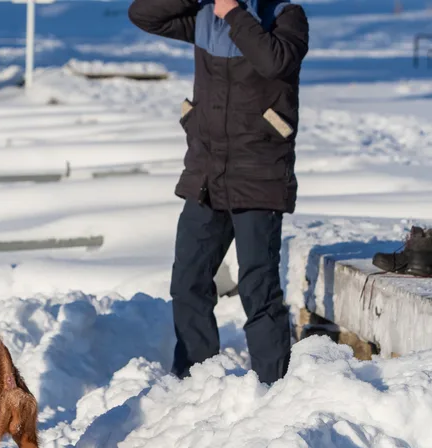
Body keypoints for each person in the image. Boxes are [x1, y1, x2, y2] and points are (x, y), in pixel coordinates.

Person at [128, 0, 309, 384]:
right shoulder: (204, 18)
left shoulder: (285, 15)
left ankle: (272, 384)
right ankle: (197, 378)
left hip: (258, 176)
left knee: (258, 289)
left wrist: (234, 13)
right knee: (187, 281)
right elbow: (143, 14)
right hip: (206, 176)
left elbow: (275, 62)